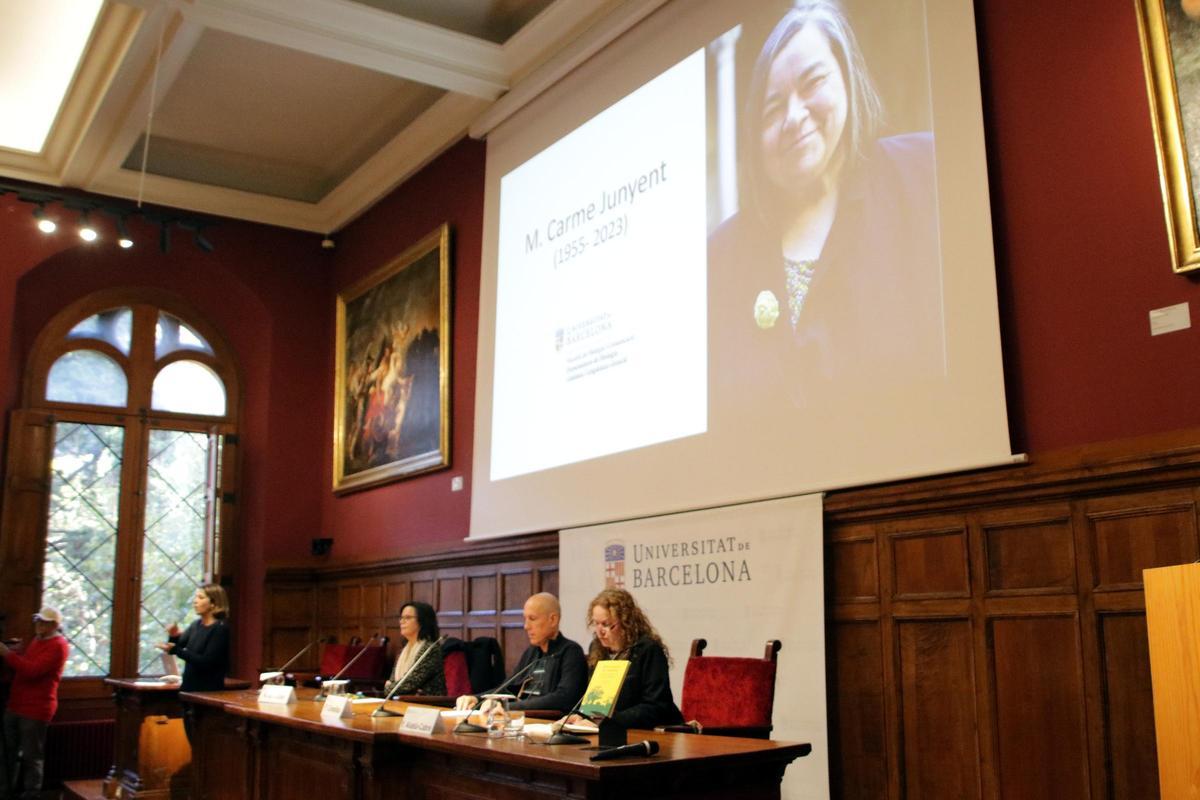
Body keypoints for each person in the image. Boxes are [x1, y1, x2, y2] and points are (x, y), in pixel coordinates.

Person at [710, 0, 943, 403]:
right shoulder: (720, 256)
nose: (793, 116)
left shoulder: (925, 175)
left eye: (812, 82)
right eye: (772, 107)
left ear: (847, 79)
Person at [455, 593, 587, 713]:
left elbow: (564, 698)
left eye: (532, 619)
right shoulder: (532, 652)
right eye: (525, 619)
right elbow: (508, 688)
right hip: (520, 719)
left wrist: (508, 708)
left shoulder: (570, 652)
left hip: (546, 723)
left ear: (553, 620)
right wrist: (476, 699)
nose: (526, 626)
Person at [580, 588, 682, 730]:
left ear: (626, 622)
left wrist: (610, 721)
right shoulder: (597, 649)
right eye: (596, 623)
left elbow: (656, 707)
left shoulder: (648, 650)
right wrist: (581, 716)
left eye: (606, 624)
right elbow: (596, 701)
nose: (600, 631)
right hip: (609, 730)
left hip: (653, 733)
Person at [0, 607, 68, 800]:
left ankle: (31, 795)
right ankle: (5, 793)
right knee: (6, 754)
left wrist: (7, 654)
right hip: (16, 705)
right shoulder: (38, 640)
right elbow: (26, 665)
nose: (39, 624)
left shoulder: (59, 645)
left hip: (37, 709)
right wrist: (15, 652)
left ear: (54, 625)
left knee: (31, 757)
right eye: (38, 621)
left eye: (44, 622)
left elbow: (32, 671)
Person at [157, 584, 231, 692]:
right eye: (195, 597)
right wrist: (173, 636)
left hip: (208, 692)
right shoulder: (195, 625)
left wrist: (175, 649)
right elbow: (178, 646)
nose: (195, 601)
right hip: (188, 689)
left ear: (213, 603)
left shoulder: (220, 629)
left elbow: (206, 662)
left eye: (200, 597)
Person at [387, 602, 445, 696]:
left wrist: (389, 688)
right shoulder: (404, 650)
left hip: (426, 705)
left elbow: (408, 684)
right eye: (401, 618)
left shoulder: (430, 649)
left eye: (408, 618)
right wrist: (391, 688)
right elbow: (395, 683)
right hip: (403, 701)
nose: (402, 621)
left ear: (422, 621)